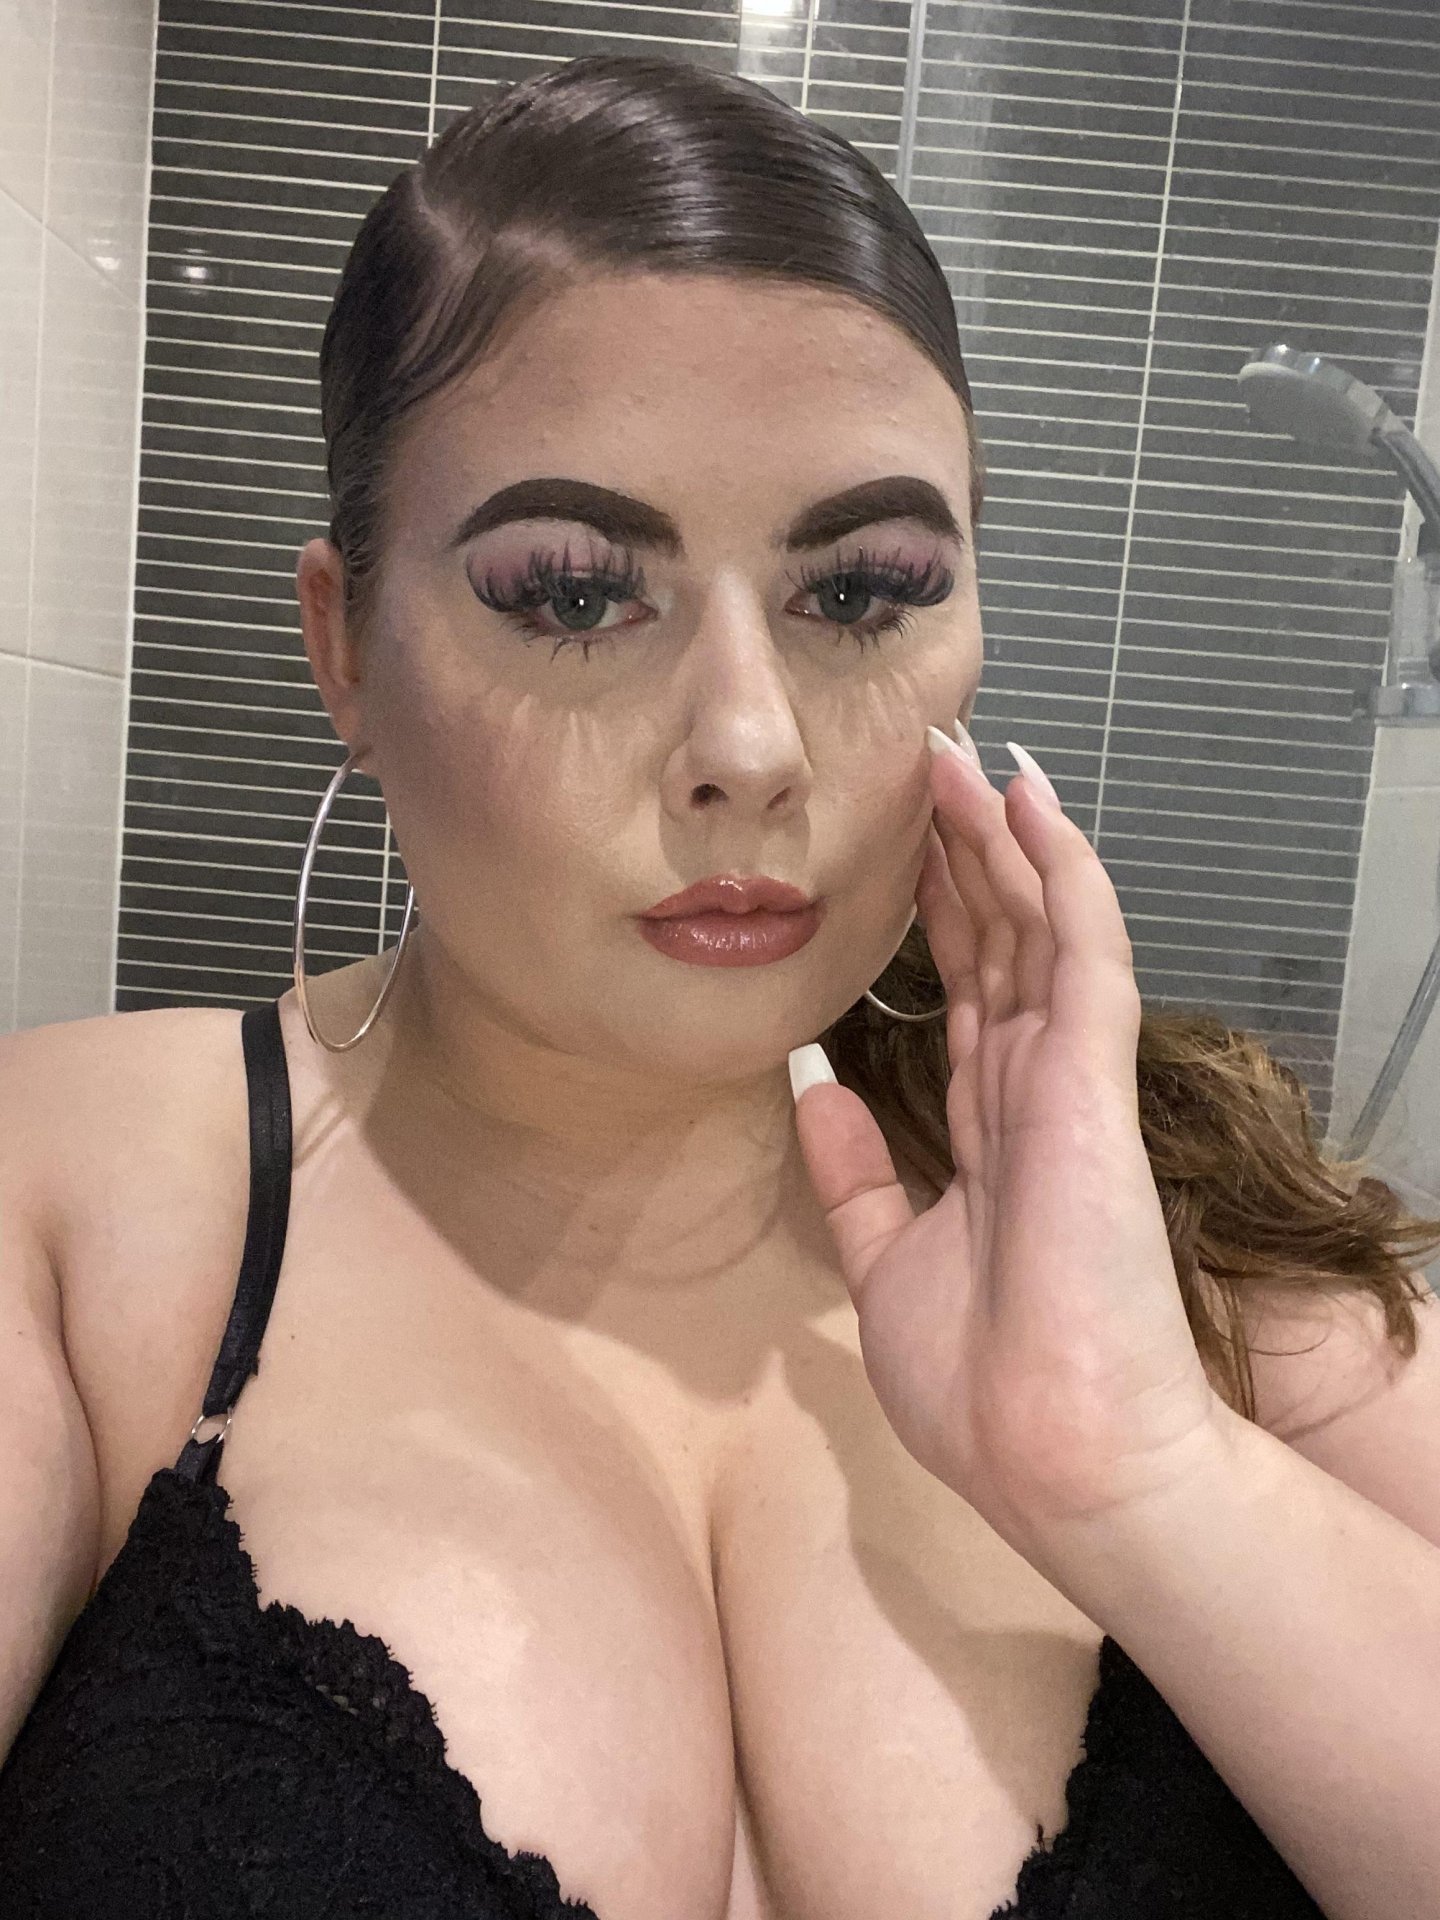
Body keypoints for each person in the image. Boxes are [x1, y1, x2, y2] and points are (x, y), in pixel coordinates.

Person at [1, 49, 1437, 1920]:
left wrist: (1144, 1474)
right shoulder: (78, 1205)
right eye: (574, 593)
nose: (751, 746)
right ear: (345, 650)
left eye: (861, 592)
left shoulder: (1169, 1216)